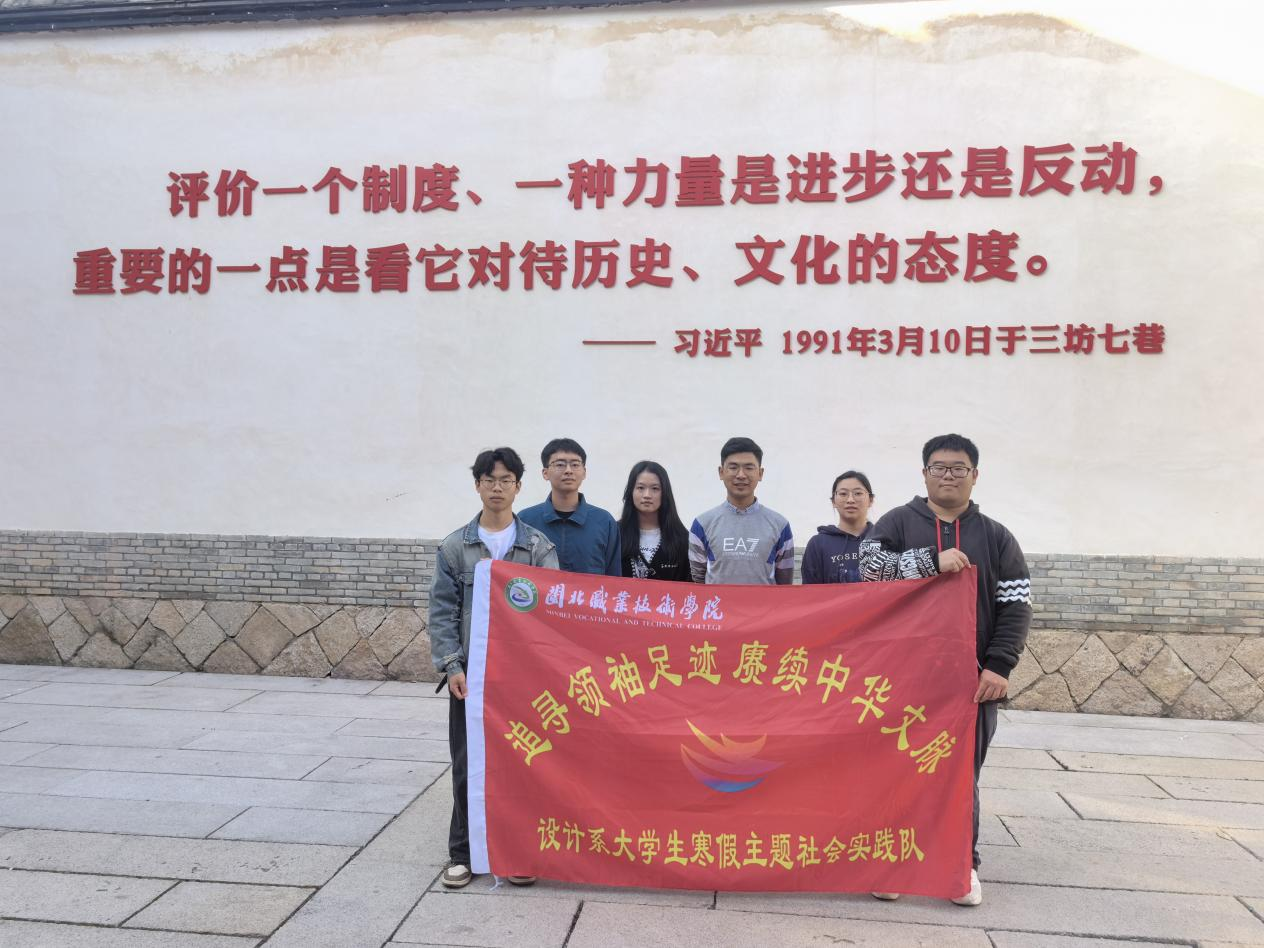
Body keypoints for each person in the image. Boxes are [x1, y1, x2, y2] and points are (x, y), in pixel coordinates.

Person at [860, 433, 1031, 907]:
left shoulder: (997, 536)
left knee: (960, 775)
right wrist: (929, 563)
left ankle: (962, 865)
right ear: (924, 474)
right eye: (939, 467)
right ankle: (893, 861)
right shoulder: (897, 522)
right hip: (901, 678)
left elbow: (1016, 605)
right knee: (897, 769)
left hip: (970, 684)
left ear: (975, 475)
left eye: (959, 468)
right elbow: (868, 570)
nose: (948, 476)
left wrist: (999, 665)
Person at [428, 447, 558, 890]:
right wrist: (452, 666)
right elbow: (442, 612)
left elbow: (552, 613)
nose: (497, 487)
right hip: (472, 678)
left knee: (522, 764)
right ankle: (462, 854)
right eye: (489, 480)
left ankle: (518, 852)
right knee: (468, 765)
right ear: (477, 486)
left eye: (506, 480)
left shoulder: (537, 547)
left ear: (519, 486)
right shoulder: (455, 547)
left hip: (522, 681)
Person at [688, 437, 794, 585]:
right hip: (718, 601)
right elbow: (698, 581)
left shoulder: (780, 525)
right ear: (721, 472)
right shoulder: (702, 524)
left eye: (749, 468)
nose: (741, 475)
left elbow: (784, 584)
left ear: (760, 473)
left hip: (764, 602)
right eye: (733, 467)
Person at [519, 437, 621, 576]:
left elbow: (614, 578)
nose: (568, 470)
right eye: (560, 464)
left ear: (584, 472)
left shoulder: (604, 521)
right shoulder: (526, 520)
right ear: (545, 473)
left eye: (575, 464)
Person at [617, 460, 693, 583]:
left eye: (655, 489)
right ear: (631, 491)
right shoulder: (615, 534)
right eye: (640, 488)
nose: (647, 495)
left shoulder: (682, 540)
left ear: (665, 493)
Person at [801, 470, 875, 584]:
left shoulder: (884, 539)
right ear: (833, 501)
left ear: (870, 500)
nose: (850, 500)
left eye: (858, 493)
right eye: (843, 494)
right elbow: (810, 592)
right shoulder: (818, 544)